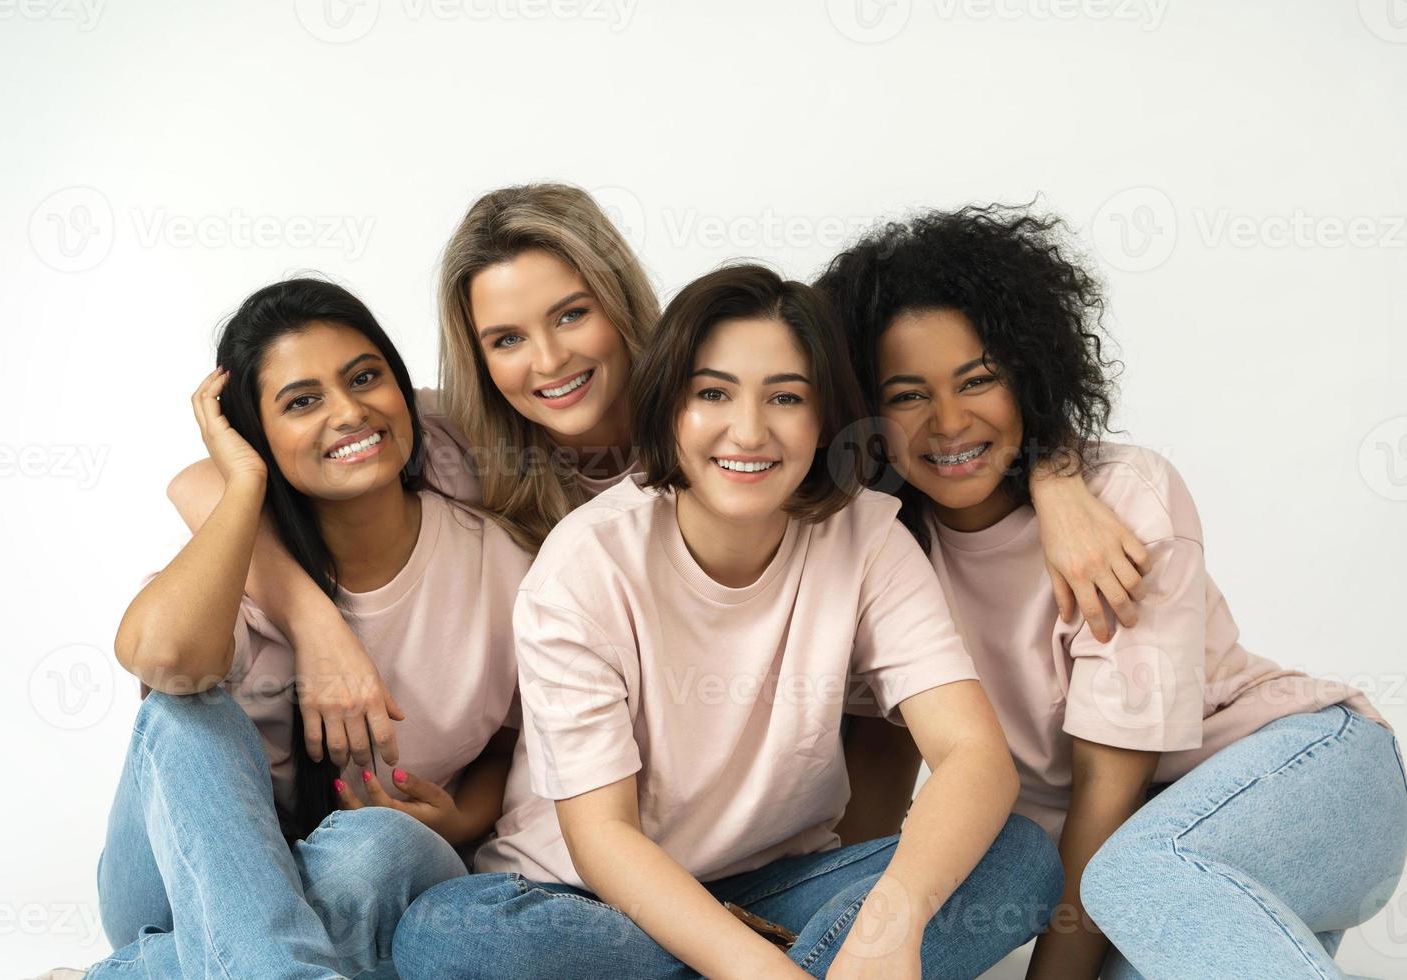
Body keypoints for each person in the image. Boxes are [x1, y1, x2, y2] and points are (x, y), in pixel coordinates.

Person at [392, 265, 1063, 979]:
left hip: (776, 887)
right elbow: (604, 838)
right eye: (713, 393)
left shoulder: (867, 539)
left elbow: (973, 756)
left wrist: (887, 927)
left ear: (823, 419)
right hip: (588, 902)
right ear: (669, 408)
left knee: (1018, 860)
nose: (749, 431)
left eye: (785, 397)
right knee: (449, 938)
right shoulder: (587, 563)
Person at [818, 204, 1407, 979]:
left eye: (979, 379)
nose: (950, 422)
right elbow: (880, 761)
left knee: (1134, 873)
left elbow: (1107, 795)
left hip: (1310, 778)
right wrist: (843, 928)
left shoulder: (1118, 502)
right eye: (907, 394)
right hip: (1155, 872)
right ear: (864, 408)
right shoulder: (878, 547)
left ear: (1028, 373)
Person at [80, 278, 529, 979]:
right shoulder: (236, 567)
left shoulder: (496, 567)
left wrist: (464, 820)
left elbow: (516, 742)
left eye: (365, 377)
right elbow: (164, 658)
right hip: (178, 882)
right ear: (258, 436)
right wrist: (244, 488)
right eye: (303, 401)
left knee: (375, 841)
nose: (349, 412)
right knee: (184, 710)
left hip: (370, 876)